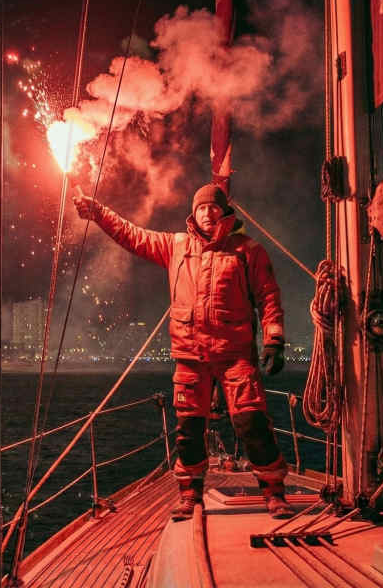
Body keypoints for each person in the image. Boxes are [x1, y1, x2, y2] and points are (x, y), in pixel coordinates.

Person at [73, 183, 294, 520]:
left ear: (224, 212)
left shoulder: (248, 251)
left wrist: (274, 340)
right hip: (190, 355)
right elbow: (132, 235)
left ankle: (274, 493)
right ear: (194, 213)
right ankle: (190, 493)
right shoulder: (175, 246)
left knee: (251, 422)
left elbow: (268, 296)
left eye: (213, 207)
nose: (208, 213)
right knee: (188, 428)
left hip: (235, 354)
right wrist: (99, 213)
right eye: (202, 208)